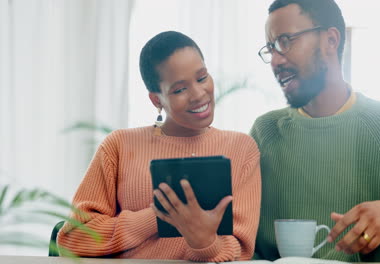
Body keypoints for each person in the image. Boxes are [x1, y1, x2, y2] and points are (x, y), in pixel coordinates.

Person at [251, 0, 380, 262]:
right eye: (270, 48)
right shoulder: (264, 133)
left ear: (330, 40)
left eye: (285, 42)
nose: (274, 61)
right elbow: (242, 244)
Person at [57, 31, 261, 262]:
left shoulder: (241, 148)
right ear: (156, 100)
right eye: (179, 89)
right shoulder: (119, 146)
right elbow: (72, 239)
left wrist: (203, 241)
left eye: (202, 77)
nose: (197, 94)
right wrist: (160, 215)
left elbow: (241, 250)